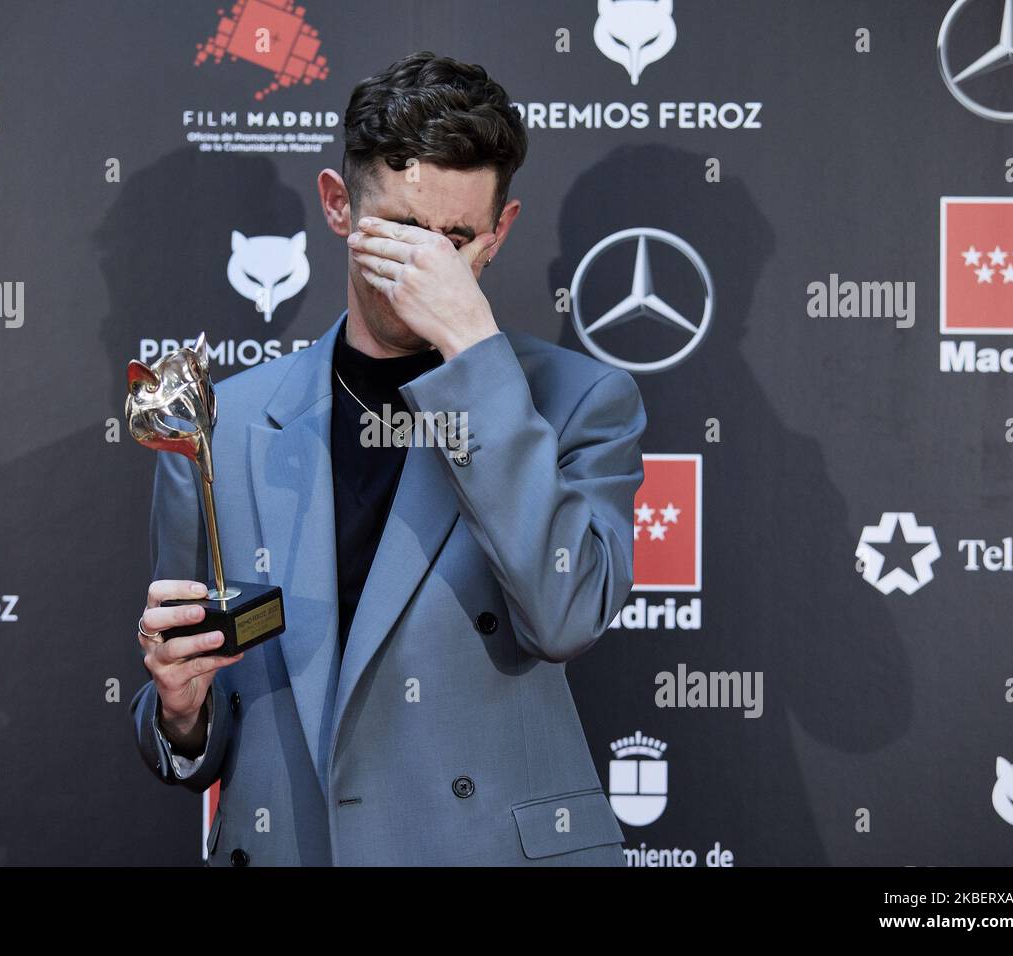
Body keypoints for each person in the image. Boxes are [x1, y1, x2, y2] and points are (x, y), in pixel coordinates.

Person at [130, 51, 646, 866]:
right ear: (338, 205)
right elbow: (198, 693)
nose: (426, 267)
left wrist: (473, 353)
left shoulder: (578, 402)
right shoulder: (222, 425)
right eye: (401, 233)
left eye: (457, 241)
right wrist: (181, 709)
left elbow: (566, 613)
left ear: (502, 231)